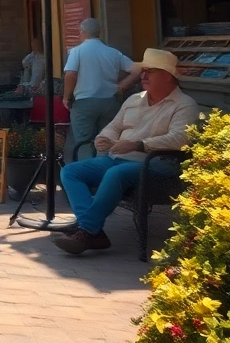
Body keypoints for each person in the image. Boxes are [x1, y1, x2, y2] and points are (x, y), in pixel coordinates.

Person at [56, 48, 199, 255]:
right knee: (70, 171)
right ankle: (92, 230)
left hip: (153, 164)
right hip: (118, 158)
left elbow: (180, 138)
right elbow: (114, 126)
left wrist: (138, 144)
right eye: (143, 71)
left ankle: (87, 230)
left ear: (167, 76)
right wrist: (104, 138)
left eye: (150, 71)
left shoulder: (185, 105)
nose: (143, 76)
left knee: (116, 174)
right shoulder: (135, 99)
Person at [63, 18, 141, 161]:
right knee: (106, 140)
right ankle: (104, 172)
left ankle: (87, 174)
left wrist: (66, 97)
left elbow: (71, 74)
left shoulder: (77, 51)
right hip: (110, 102)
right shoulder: (113, 52)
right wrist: (122, 86)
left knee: (84, 142)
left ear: (82, 32)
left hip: (84, 103)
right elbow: (137, 70)